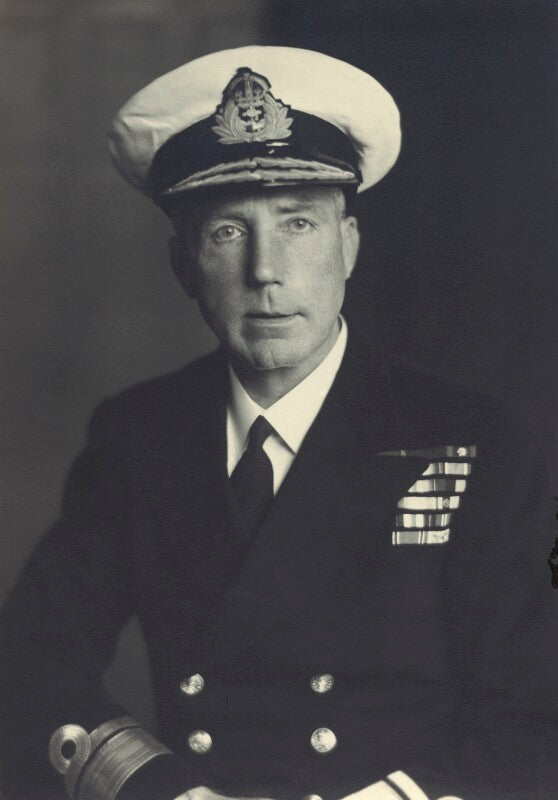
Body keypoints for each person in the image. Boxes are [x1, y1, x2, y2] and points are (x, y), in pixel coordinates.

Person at [0, 45, 556, 800]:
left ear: (347, 247)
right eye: (228, 232)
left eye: (298, 224)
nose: (267, 270)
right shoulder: (139, 438)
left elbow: (536, 720)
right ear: (183, 266)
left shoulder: (479, 441)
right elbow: (30, 661)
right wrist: (160, 788)